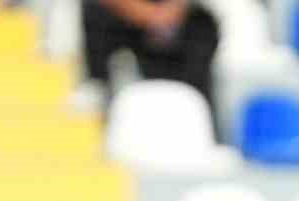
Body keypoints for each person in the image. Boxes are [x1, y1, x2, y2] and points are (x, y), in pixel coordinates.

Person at [81, 0, 220, 130]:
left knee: (201, 26)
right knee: (95, 10)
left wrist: (172, 11)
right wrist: (148, 15)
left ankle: (203, 120)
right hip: (131, 21)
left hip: (182, 24)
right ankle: (97, 84)